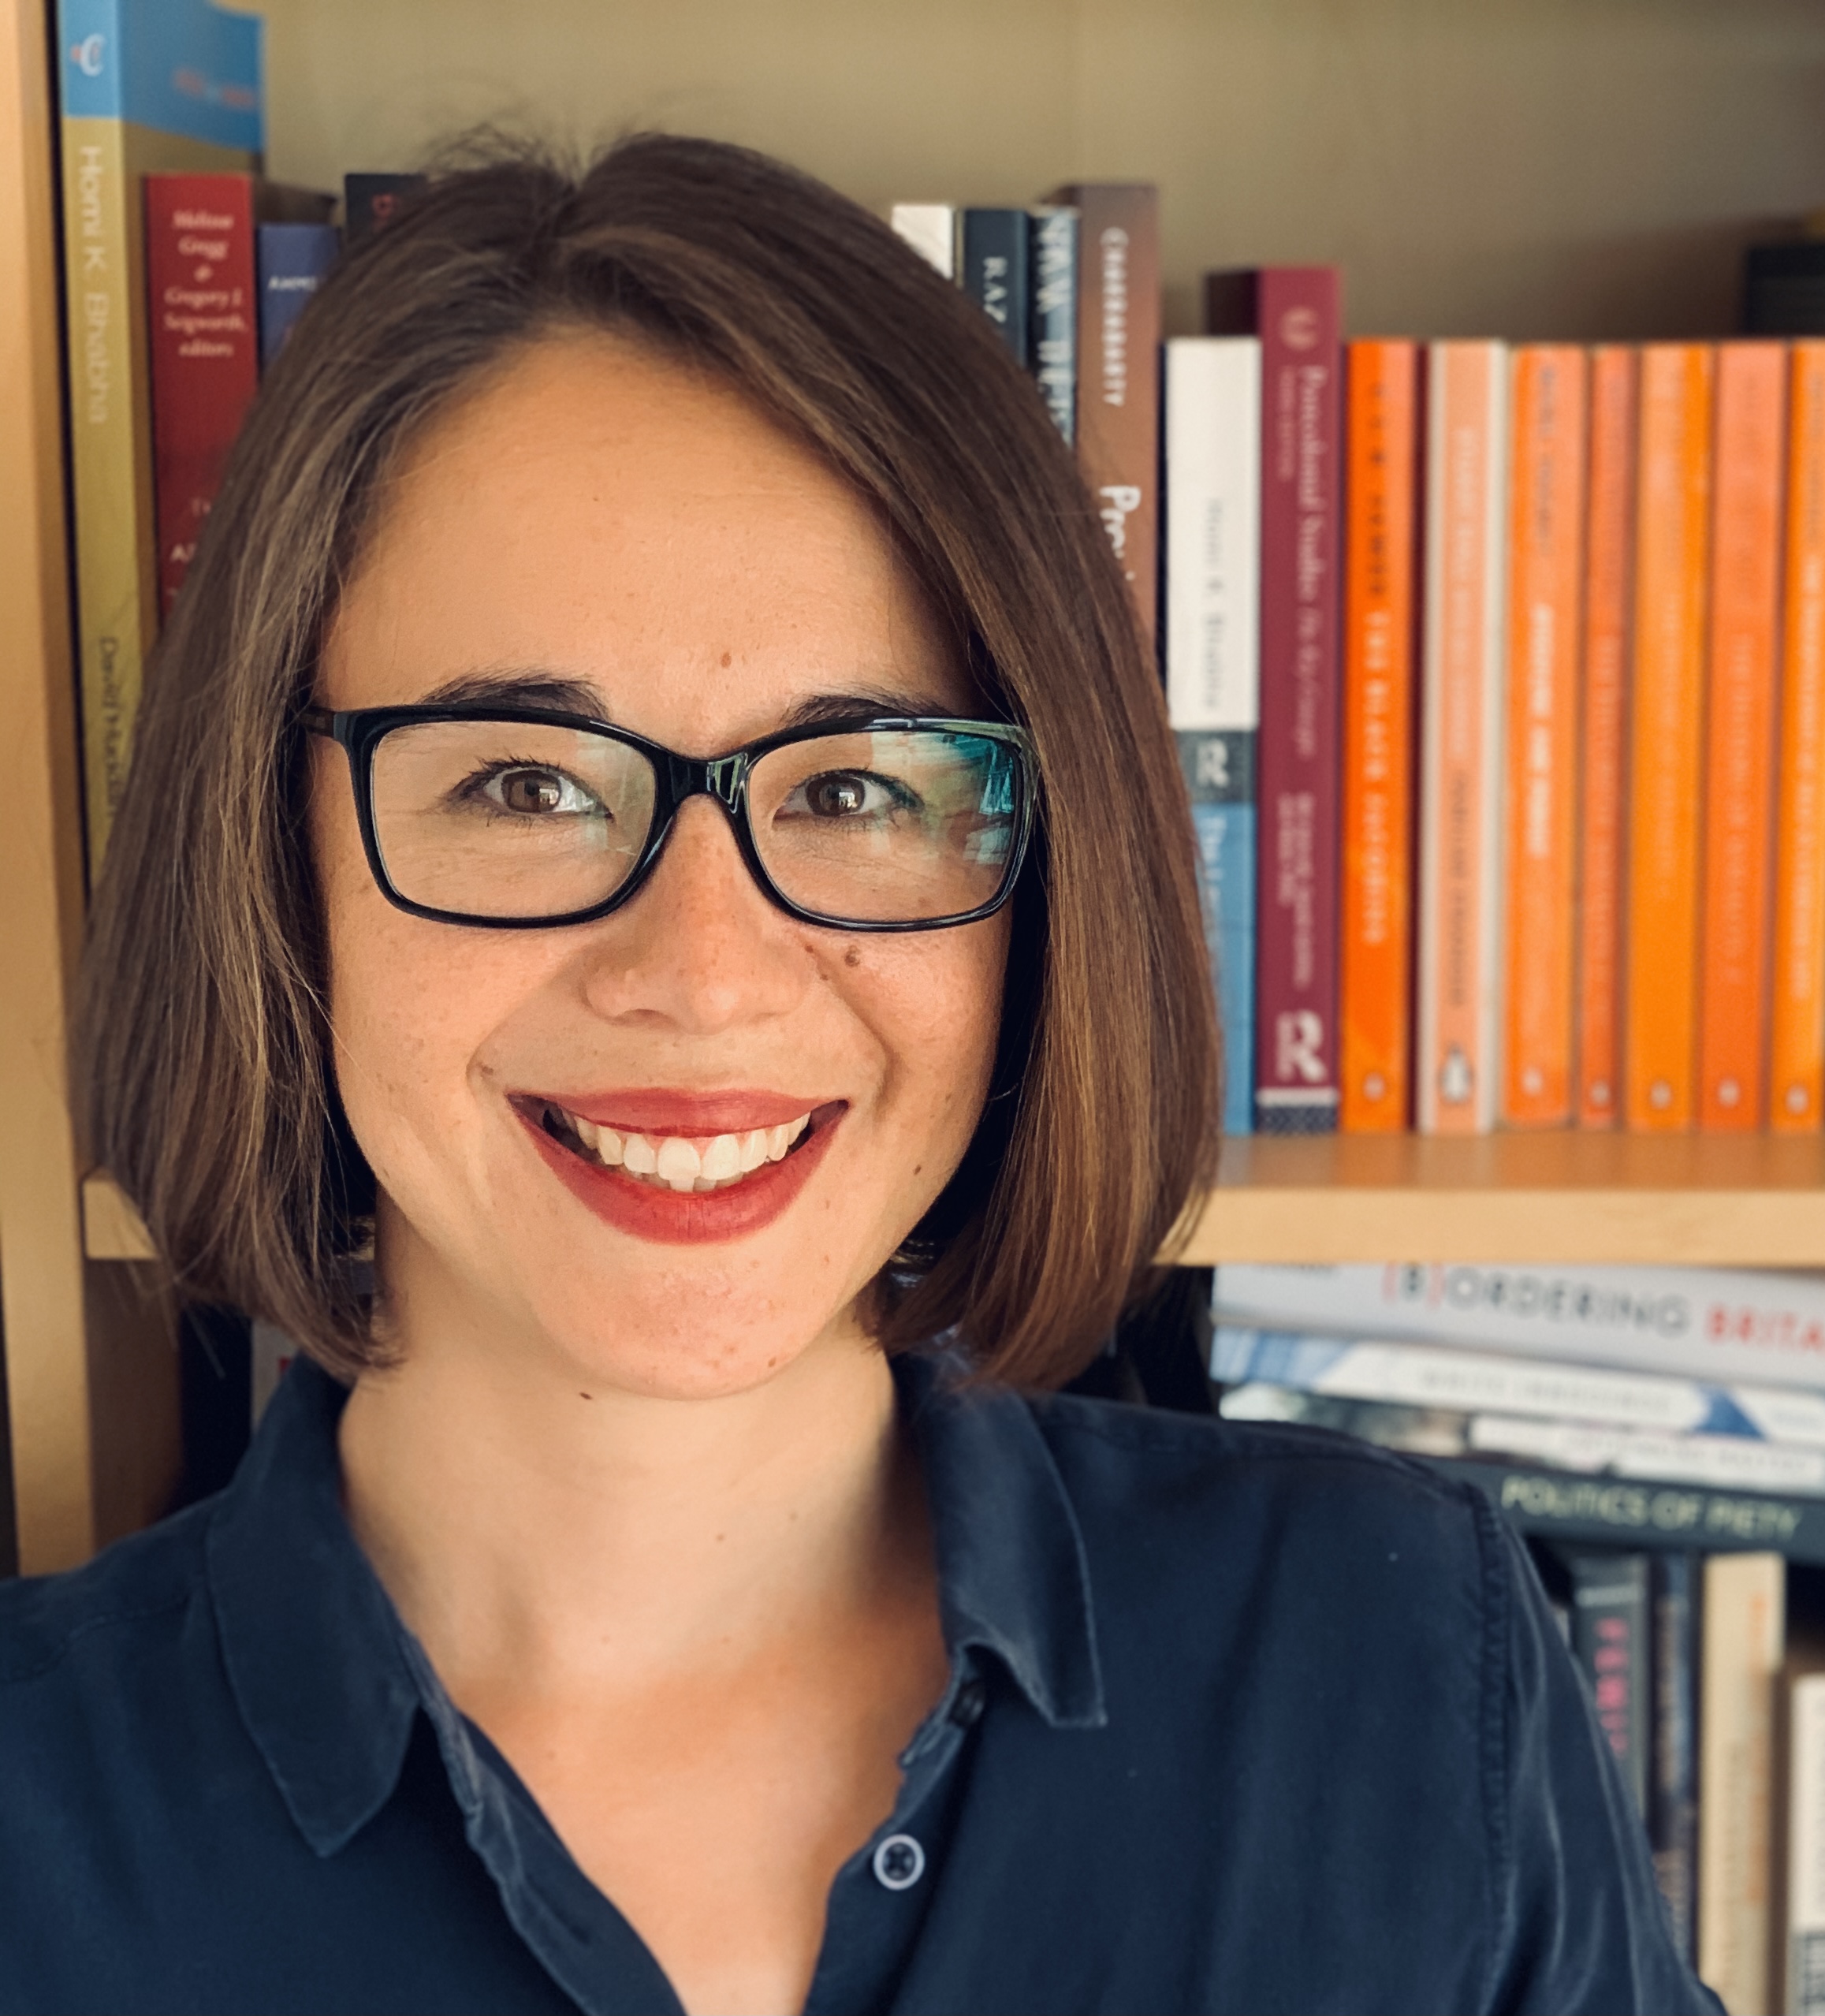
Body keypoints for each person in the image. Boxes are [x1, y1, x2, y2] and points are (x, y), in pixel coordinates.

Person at [2, 136, 1717, 2016]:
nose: (701, 974)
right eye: (524, 783)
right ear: (274, 853)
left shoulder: (1392, 1654)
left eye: (856, 789)